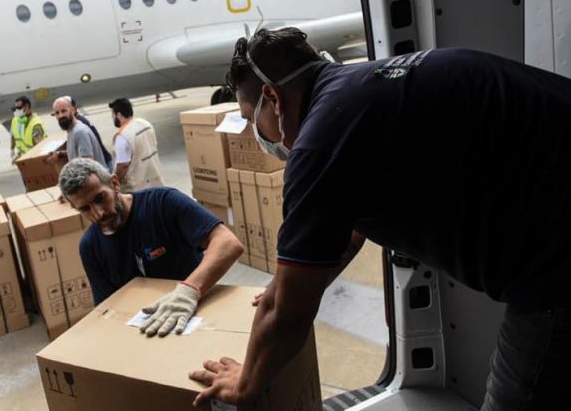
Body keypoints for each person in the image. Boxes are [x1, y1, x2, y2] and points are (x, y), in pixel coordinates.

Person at [188, 28, 571, 410]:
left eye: (250, 118)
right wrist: (293, 280)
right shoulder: (366, 89)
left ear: (272, 98)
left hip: (556, 264)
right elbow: (347, 228)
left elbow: (287, 314)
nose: (257, 134)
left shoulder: (320, 141)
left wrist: (246, 383)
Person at [59, 158, 243, 336]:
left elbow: (227, 243)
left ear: (114, 184)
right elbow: (107, 308)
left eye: (100, 198)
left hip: (196, 315)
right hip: (148, 329)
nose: (98, 213)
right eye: (85, 209)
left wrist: (188, 292)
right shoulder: (90, 247)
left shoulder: (162, 203)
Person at [108, 97, 164, 192]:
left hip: (138, 188)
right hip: (156, 181)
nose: (112, 118)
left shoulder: (122, 136)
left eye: (112, 114)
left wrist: (114, 181)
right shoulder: (145, 123)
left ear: (119, 115)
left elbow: (123, 165)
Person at [47, 96, 108, 169]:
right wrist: (60, 154)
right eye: (57, 113)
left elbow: (88, 166)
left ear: (72, 110)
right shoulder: (71, 130)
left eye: (64, 111)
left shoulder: (80, 132)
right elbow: (77, 153)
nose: (60, 116)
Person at [67, 96, 113, 171]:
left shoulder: (79, 126)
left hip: (102, 164)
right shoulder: (78, 121)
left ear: (73, 109)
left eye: (64, 111)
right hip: (104, 161)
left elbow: (87, 160)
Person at [10, 96, 45, 162]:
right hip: (25, 159)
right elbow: (15, 137)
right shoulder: (19, 121)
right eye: (15, 108)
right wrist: (15, 152)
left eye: (18, 108)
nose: (16, 111)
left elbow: (40, 146)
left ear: (26, 107)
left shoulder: (35, 125)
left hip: (34, 160)